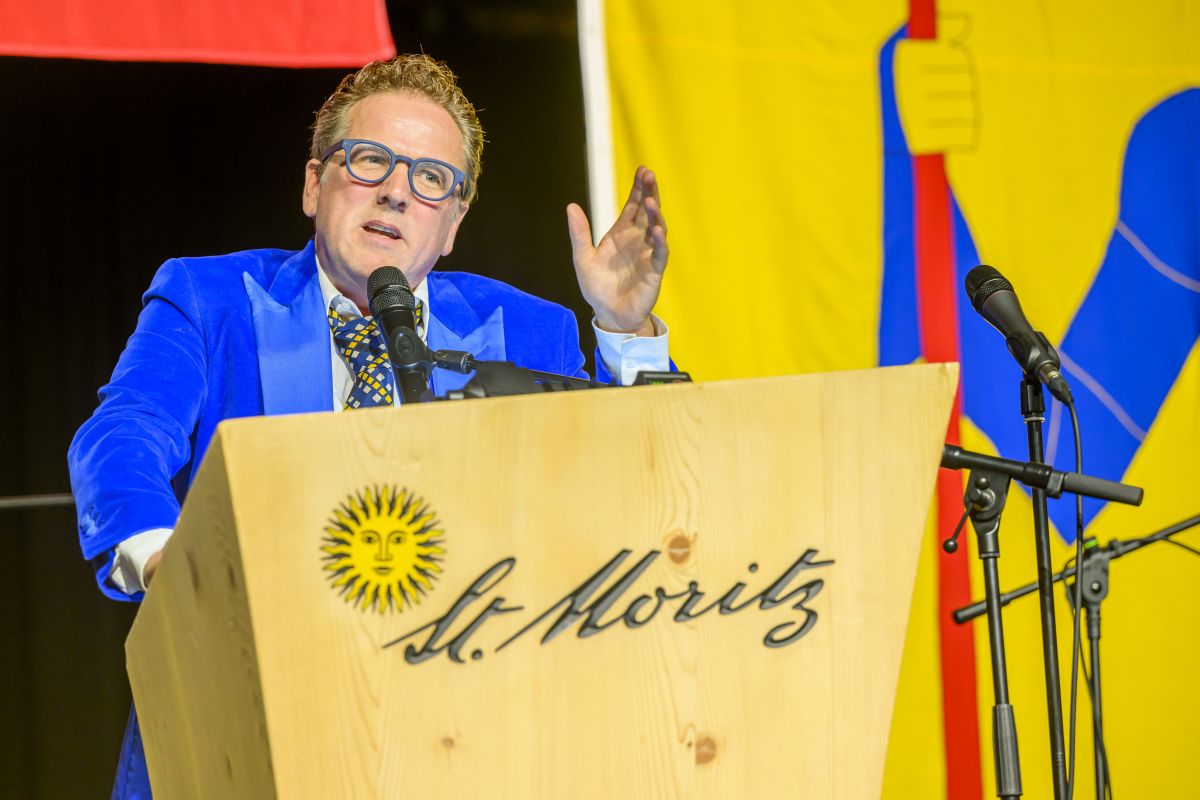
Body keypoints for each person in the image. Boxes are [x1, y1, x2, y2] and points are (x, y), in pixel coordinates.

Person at [68, 53, 671, 799]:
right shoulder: (212, 299)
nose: (396, 191)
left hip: (470, 737)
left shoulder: (527, 331)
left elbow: (639, 479)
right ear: (313, 183)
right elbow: (125, 432)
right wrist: (172, 566)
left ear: (452, 224)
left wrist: (626, 330)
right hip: (254, 721)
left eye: (430, 178)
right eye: (369, 160)